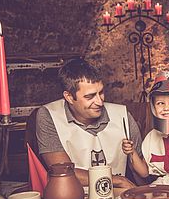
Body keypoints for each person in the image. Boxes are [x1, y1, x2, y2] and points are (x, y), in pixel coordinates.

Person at [36, 58, 143, 188]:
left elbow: (141, 170)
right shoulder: (49, 115)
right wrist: (118, 180)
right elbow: (63, 170)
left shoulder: (122, 115)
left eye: (101, 92)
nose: (100, 102)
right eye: (89, 96)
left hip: (117, 195)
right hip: (74, 197)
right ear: (69, 97)